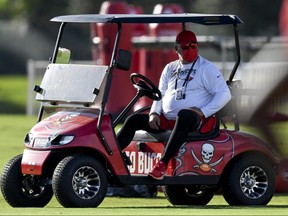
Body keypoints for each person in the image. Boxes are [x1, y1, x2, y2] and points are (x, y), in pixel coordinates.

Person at [117, 30, 232, 180]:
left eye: (193, 46)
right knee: (134, 120)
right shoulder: (170, 68)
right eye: (185, 47)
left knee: (184, 115)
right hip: (168, 119)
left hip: (197, 120)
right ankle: (111, 156)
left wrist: (203, 111)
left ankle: (162, 164)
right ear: (176, 48)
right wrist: (154, 113)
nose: (190, 50)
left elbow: (225, 94)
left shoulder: (207, 68)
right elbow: (160, 94)